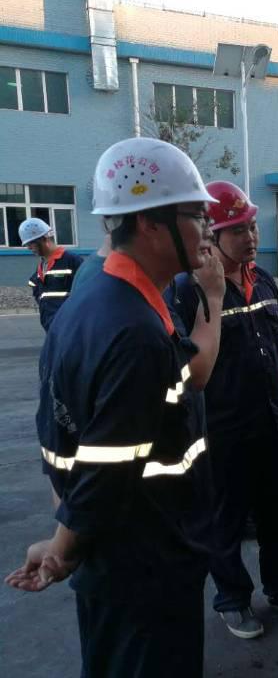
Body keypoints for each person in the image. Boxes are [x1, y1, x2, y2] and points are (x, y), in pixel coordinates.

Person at [5, 137, 221, 678]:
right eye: (196, 215)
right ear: (150, 223)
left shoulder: (96, 288)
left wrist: (64, 537)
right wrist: (63, 548)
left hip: (121, 561)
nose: (208, 230)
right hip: (146, 566)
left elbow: (61, 428)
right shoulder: (132, 330)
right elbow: (107, 468)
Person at [166, 181, 278, 640]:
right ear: (212, 235)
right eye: (238, 230)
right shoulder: (188, 290)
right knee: (225, 519)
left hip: (272, 422)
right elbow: (187, 369)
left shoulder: (265, 281)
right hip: (221, 431)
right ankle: (232, 599)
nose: (250, 237)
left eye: (252, 226)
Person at [20, 217, 82, 331]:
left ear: (45, 239)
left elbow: (86, 295)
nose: (28, 248)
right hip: (51, 328)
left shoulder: (72, 261)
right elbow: (37, 288)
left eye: (31, 243)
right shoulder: (42, 265)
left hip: (71, 328)